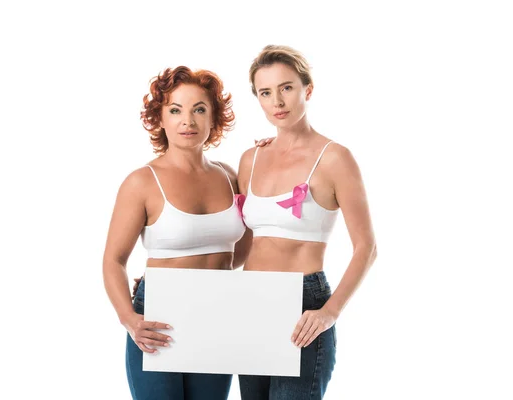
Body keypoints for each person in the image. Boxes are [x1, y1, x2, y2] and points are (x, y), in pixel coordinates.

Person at [102, 65, 270, 400]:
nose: (187, 122)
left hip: (216, 313)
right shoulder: (142, 182)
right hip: (159, 321)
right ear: (160, 118)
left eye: (199, 110)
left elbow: (245, 245)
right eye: (175, 110)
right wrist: (130, 319)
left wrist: (269, 156)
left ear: (214, 118)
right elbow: (113, 260)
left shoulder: (228, 175)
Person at [236, 45, 378, 399]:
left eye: (286, 88)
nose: (277, 101)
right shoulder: (250, 158)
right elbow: (242, 242)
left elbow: (367, 247)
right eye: (265, 92)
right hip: (249, 301)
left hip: (303, 303)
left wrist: (329, 312)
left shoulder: (335, 159)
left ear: (307, 90)